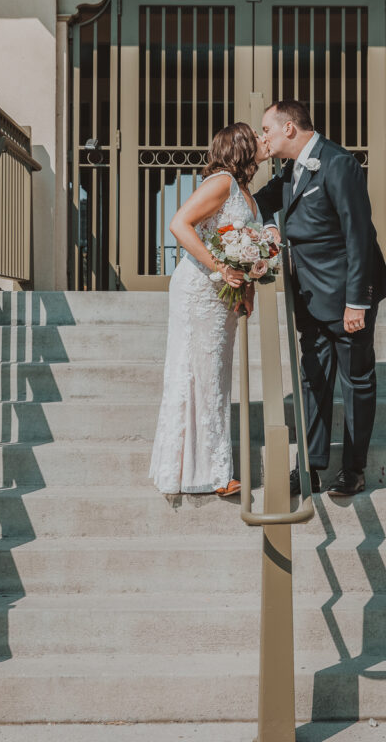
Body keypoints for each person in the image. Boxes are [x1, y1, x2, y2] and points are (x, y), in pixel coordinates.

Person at [255, 99, 386, 497]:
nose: (264, 137)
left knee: (356, 382)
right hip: (309, 296)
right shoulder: (290, 169)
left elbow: (358, 234)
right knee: (313, 380)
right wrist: (270, 228)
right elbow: (260, 203)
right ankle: (311, 468)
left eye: (267, 130)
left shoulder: (338, 163)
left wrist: (357, 301)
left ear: (289, 128)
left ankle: (354, 469)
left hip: (347, 295)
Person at [149, 122, 268, 496]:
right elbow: (179, 224)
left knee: (214, 377)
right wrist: (220, 267)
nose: (264, 140)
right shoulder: (221, 182)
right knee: (201, 377)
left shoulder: (247, 193)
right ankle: (215, 474)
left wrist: (248, 286)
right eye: (257, 136)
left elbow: (243, 246)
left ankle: (208, 467)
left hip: (224, 295)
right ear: (242, 146)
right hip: (199, 290)